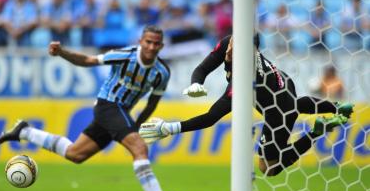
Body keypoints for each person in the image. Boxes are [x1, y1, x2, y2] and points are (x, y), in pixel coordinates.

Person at [0, 26, 186, 191]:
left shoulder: (162, 72)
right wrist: (61, 52)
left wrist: (137, 125)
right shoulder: (125, 55)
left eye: (156, 43)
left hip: (121, 113)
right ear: (140, 41)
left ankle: (25, 131)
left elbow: (152, 103)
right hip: (107, 105)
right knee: (140, 148)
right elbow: (88, 60)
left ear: (162, 46)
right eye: (148, 42)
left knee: (75, 154)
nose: (152, 47)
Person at [139, 34, 354, 177]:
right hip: (283, 85)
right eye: (233, 42)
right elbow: (203, 67)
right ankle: (335, 107)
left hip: (278, 112)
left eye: (240, 48)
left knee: (268, 167)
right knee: (295, 104)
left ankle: (316, 132)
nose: (232, 48)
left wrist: (171, 128)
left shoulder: (244, 80)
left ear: (251, 52)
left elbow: (212, 117)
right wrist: (196, 83)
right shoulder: (228, 43)